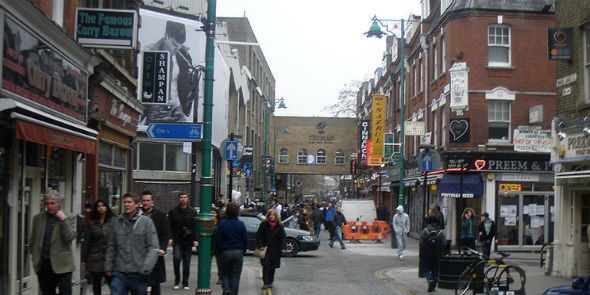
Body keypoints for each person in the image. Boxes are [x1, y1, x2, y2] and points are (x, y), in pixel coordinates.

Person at [142, 21, 199, 125]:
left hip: (176, 109)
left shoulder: (183, 58)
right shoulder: (150, 52)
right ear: (166, 36)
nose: (176, 49)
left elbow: (187, 83)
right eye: (174, 44)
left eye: (179, 46)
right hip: (157, 110)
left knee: (186, 136)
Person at [104, 193, 159, 295]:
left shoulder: (146, 222)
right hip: (120, 271)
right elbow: (112, 245)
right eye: (125, 202)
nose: (126, 205)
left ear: (137, 204)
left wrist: (146, 267)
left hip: (138, 272)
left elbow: (153, 247)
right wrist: (108, 266)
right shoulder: (118, 222)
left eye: (129, 202)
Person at [29, 190, 77, 295]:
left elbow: (70, 237)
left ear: (59, 203)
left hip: (63, 266)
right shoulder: (38, 218)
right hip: (44, 265)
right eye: (47, 203)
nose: (49, 206)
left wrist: (63, 220)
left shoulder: (68, 217)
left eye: (52, 203)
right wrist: (35, 258)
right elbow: (32, 240)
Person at [140, 191, 170, 295]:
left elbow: (165, 234)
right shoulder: (137, 215)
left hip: (155, 252)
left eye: (148, 200)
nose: (145, 203)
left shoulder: (160, 216)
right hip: (140, 252)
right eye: (143, 200)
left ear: (152, 201)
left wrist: (163, 248)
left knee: (155, 282)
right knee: (140, 282)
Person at [215, 202, 248, 295]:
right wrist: (243, 250)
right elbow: (245, 240)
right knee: (235, 275)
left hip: (225, 251)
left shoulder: (222, 224)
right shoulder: (241, 224)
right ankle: (233, 292)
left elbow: (218, 239)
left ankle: (226, 289)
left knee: (225, 273)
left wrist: (219, 250)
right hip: (238, 251)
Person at [168, 192, 199, 290]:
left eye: (185, 197)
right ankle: (177, 281)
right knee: (176, 260)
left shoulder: (192, 212)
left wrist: (195, 239)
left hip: (188, 240)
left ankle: (185, 282)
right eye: (181, 197)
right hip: (177, 239)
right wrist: (171, 238)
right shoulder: (173, 211)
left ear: (188, 199)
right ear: (178, 199)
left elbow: (195, 227)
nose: (183, 199)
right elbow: (170, 226)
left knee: (187, 262)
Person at [83, 199, 114, 295]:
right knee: (96, 283)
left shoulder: (113, 220)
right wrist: (84, 258)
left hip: (109, 257)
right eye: (99, 206)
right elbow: (88, 241)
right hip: (96, 257)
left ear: (106, 207)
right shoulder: (92, 223)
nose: (101, 208)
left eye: (103, 206)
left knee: (112, 283)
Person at [256, 209, 286, 289]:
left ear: (276, 216)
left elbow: (283, 238)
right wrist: (261, 245)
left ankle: (270, 281)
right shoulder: (263, 224)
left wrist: (283, 248)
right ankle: (265, 282)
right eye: (270, 215)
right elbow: (259, 236)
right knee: (266, 266)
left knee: (272, 267)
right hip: (265, 249)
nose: (272, 216)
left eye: (273, 215)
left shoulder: (279, 226)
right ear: (268, 216)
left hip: (275, 250)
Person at [420, 216, 446, 292]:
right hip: (437, 254)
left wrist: (424, 250)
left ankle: (429, 279)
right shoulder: (441, 232)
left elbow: (421, 242)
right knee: (435, 270)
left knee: (426, 268)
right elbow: (444, 243)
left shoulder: (425, 231)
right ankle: (433, 286)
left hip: (426, 253)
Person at [211, 207, 223, 285]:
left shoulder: (221, 223)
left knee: (220, 263)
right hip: (209, 245)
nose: (213, 215)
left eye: (214, 213)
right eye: (211, 213)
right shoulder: (206, 222)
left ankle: (221, 277)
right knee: (207, 262)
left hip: (218, 245)